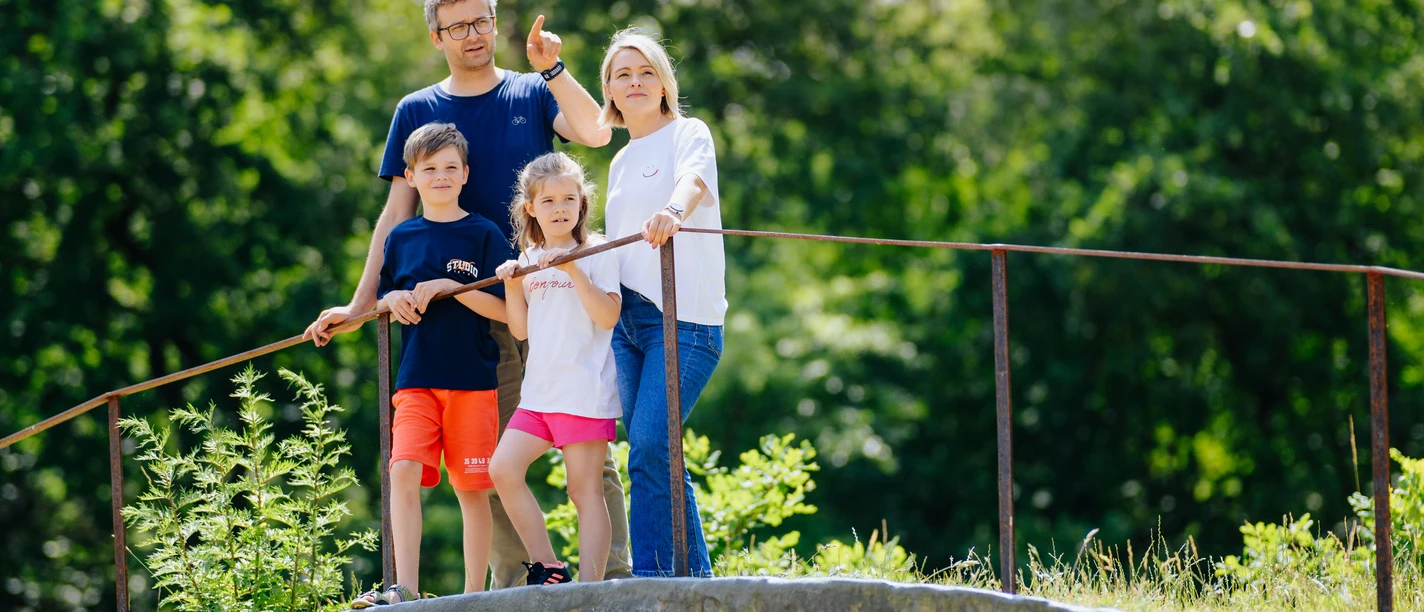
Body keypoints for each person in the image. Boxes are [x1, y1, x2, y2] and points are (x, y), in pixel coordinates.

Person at [302, 0, 633, 587]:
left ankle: (609, 580)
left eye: (481, 20)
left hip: (559, 297)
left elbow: (596, 133)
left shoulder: (532, 91)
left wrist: (553, 69)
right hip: (479, 312)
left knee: (588, 451)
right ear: (436, 36)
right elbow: (395, 216)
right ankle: (520, 585)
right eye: (456, 26)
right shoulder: (417, 110)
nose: (472, 34)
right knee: (493, 461)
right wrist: (361, 304)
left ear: (493, 20)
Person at [350, 123, 510, 607]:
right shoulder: (401, 238)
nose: (440, 176)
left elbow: (509, 312)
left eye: (449, 168)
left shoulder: (484, 233)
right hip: (416, 380)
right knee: (401, 471)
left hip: (473, 382)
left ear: (465, 173)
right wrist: (392, 297)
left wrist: (451, 288)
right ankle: (405, 588)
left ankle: (473, 596)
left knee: (472, 488)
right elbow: (383, 300)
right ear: (411, 176)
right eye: (429, 169)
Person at [599, 29, 727, 577]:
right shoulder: (620, 161)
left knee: (650, 447)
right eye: (622, 74)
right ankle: (697, 584)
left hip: (683, 321)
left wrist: (672, 211)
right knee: (656, 456)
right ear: (608, 89)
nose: (635, 82)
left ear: (664, 83)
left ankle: (650, 584)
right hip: (625, 324)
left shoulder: (688, 133)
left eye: (645, 71)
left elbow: (693, 181)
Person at [489, 152, 621, 585]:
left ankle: (591, 588)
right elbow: (521, 330)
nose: (560, 208)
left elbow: (607, 317)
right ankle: (549, 566)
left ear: (582, 202)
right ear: (530, 207)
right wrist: (512, 284)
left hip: (582, 392)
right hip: (539, 394)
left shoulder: (599, 248)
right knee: (503, 469)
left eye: (569, 198)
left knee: (584, 492)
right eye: (548, 201)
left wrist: (573, 269)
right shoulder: (529, 256)